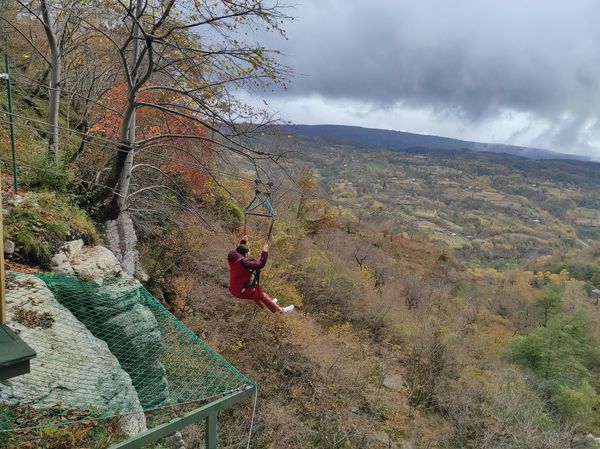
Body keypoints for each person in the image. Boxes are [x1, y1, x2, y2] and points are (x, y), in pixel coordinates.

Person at [227, 235, 295, 315]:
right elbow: (260, 264)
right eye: (248, 252)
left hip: (235, 289)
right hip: (241, 290)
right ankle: (281, 311)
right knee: (261, 295)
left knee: (258, 293)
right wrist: (265, 252)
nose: (249, 253)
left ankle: (271, 306)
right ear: (245, 254)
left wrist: (243, 242)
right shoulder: (244, 263)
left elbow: (238, 251)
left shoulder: (232, 258)